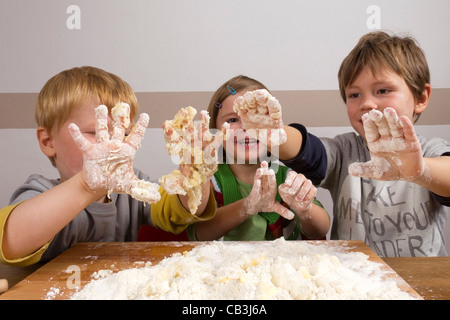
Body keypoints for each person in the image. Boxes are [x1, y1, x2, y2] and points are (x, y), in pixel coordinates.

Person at [237, 32, 450, 257]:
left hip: (421, 280)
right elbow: (312, 154)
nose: (366, 103)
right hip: (353, 278)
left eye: (383, 90)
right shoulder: (344, 149)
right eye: (354, 94)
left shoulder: (429, 150)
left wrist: (420, 170)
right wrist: (276, 133)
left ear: (421, 98)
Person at [0, 66, 216, 266]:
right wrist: (85, 186)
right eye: (95, 132)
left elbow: (181, 211)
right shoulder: (40, 191)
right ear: (48, 142)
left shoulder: (131, 191)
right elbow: (11, 243)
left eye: (124, 134)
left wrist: (196, 175)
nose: (114, 145)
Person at [187, 75, 330, 241]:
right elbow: (198, 234)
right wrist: (247, 206)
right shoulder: (208, 181)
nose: (246, 127)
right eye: (233, 120)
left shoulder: (287, 178)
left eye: (256, 117)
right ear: (215, 132)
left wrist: (305, 210)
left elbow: (320, 229)